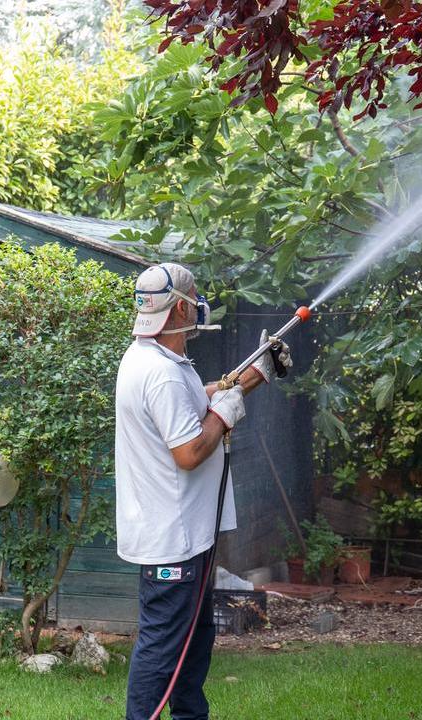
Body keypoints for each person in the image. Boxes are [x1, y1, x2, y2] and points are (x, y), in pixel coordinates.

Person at [115, 263, 291, 720]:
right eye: (195, 296)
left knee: (193, 645)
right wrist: (228, 410)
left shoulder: (153, 359)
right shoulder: (163, 373)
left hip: (185, 535)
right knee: (162, 650)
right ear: (179, 308)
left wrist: (252, 376)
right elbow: (190, 451)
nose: (201, 302)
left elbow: (194, 402)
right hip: (174, 539)